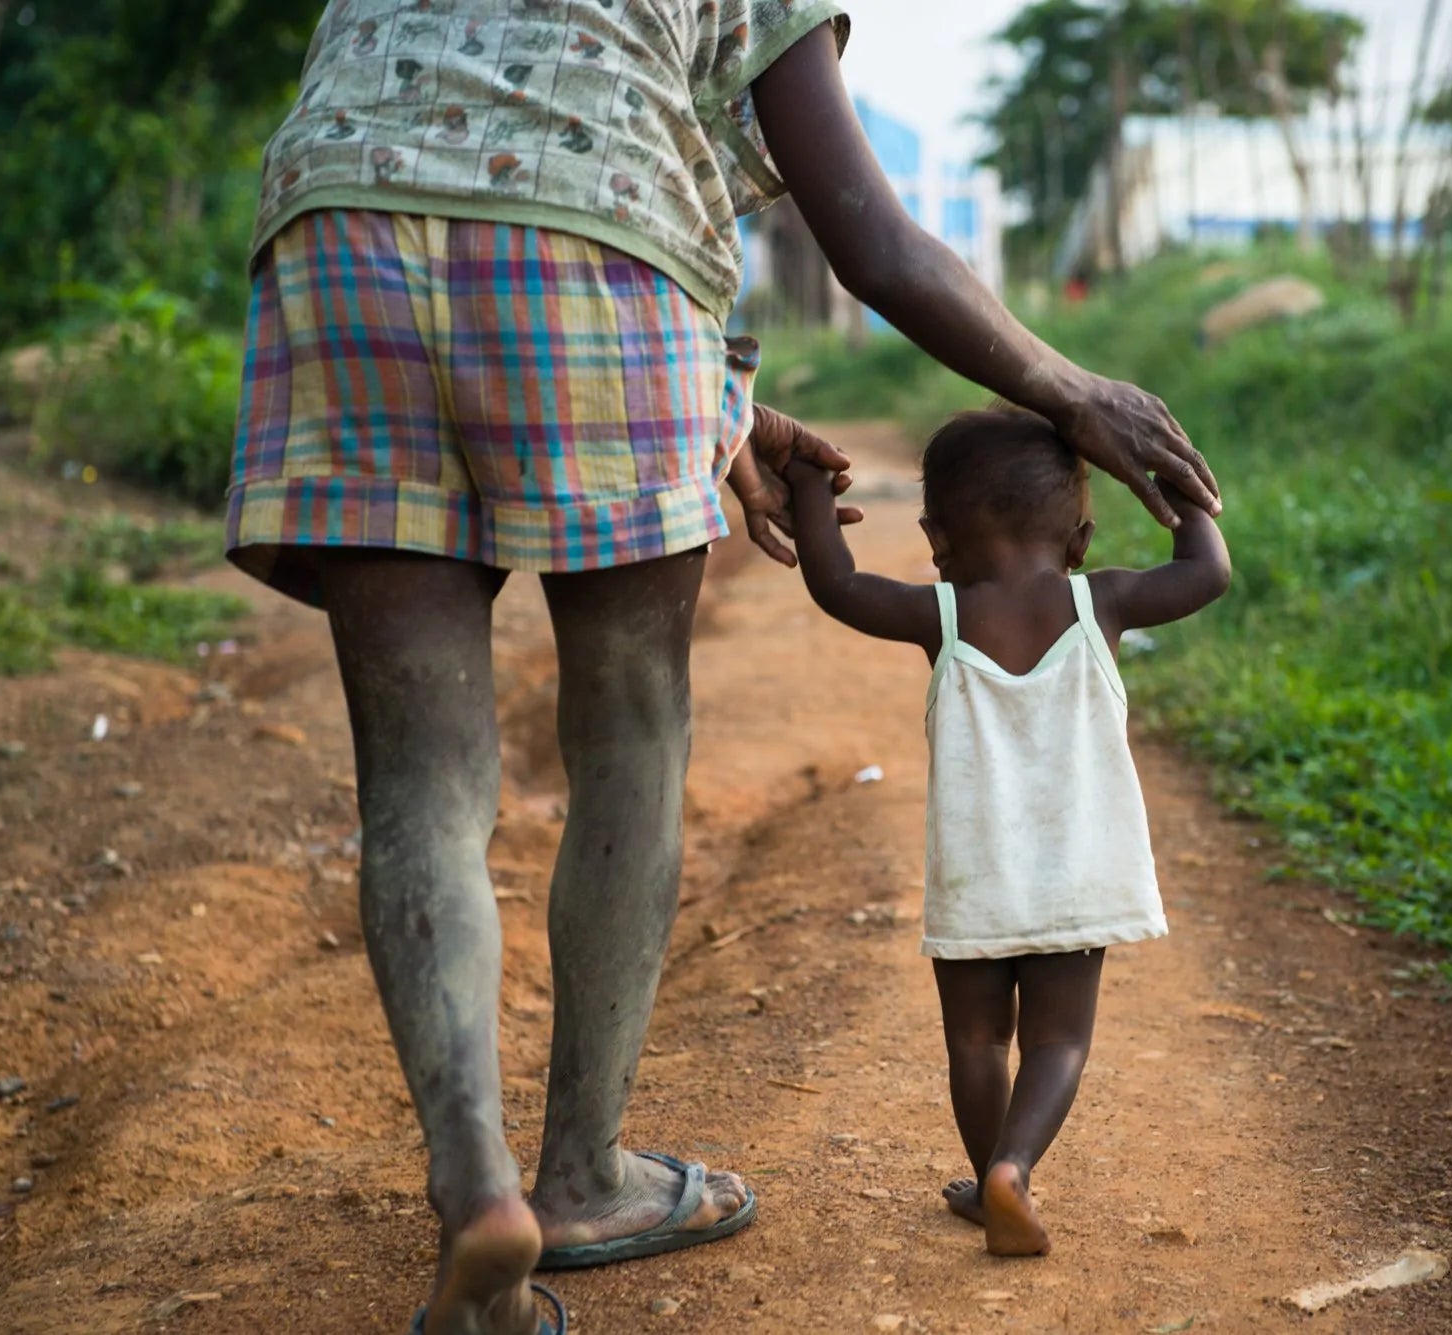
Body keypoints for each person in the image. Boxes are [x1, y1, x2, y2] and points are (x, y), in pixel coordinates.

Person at [227, 4, 1219, 1332]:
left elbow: (848, 584)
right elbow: (868, 234)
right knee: (629, 724)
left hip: (335, 227)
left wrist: (729, 409)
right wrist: (1067, 386)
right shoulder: (1093, 592)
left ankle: (476, 1188)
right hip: (600, 241)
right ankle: (580, 1172)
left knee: (420, 775)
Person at [780, 408, 1230, 1257]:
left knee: (977, 1040)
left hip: (976, 876)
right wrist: (1175, 486)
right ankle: (1014, 1169)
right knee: (1058, 1040)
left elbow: (835, 583)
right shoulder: (1107, 600)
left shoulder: (940, 614)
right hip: (1080, 870)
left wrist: (808, 486)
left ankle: (990, 1175)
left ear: (936, 536)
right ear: (1083, 537)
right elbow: (1207, 573)